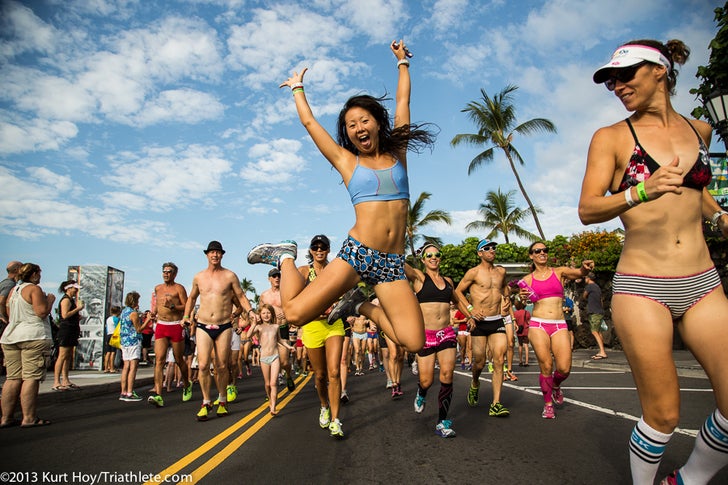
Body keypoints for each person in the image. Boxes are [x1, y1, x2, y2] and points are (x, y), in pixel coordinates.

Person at [579, 39, 728, 485]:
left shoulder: (699, 129)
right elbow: (588, 208)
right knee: (663, 414)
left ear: (659, 71)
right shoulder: (611, 137)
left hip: (703, 281)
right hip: (642, 285)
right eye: (610, 80)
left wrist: (720, 216)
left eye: (625, 75)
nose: (616, 86)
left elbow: (697, 193)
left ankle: (689, 479)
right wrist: (640, 190)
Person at [247, 39, 436, 355]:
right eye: (351, 125)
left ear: (377, 122)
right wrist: (298, 89)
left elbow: (403, 102)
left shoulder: (397, 151)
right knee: (294, 314)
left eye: (364, 121)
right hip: (359, 253)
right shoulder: (348, 162)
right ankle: (285, 256)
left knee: (415, 341)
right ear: (347, 134)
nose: (358, 128)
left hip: (392, 262)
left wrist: (403, 63)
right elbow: (310, 124)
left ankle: (359, 305)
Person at [517, 241, 593, 419]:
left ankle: (556, 386)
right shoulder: (527, 280)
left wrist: (585, 269)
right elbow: (519, 303)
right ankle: (548, 404)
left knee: (565, 368)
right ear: (531, 255)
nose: (542, 253)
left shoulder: (559, 272)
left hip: (559, 324)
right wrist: (521, 298)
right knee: (546, 365)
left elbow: (579, 273)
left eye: (545, 250)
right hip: (538, 324)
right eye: (538, 251)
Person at [183, 241, 256, 422]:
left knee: (222, 365)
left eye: (218, 252)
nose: (215, 255)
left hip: (224, 325)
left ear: (222, 255)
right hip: (203, 324)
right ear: (207, 255)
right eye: (212, 252)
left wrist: (251, 312)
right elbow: (191, 298)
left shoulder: (230, 275)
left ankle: (222, 399)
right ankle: (206, 401)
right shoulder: (198, 277)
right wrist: (186, 316)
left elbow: (240, 296)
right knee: (202, 365)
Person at [296, 235, 346, 437]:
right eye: (315, 247)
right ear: (310, 250)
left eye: (323, 247)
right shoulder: (304, 272)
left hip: (334, 324)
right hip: (312, 326)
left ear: (328, 250)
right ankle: (324, 405)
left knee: (334, 372)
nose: (319, 250)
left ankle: (336, 420)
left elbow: (345, 293)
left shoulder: (334, 269)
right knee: (320, 375)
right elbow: (295, 295)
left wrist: (336, 306)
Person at [453, 239, 510, 417]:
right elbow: (457, 292)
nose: (491, 250)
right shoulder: (473, 272)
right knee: (480, 361)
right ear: (480, 253)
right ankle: (475, 383)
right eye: (487, 248)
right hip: (479, 322)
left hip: (497, 320)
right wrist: (470, 310)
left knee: (499, 359)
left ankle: (496, 404)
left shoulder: (501, 271)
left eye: (493, 248)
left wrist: (507, 301)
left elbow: (505, 288)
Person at [406, 244, 459, 438]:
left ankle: (442, 422)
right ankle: (421, 392)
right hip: (426, 336)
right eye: (429, 255)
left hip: (446, 333)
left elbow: (458, 299)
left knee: (447, 374)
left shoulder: (448, 281)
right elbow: (404, 267)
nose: (433, 257)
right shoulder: (419, 278)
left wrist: (470, 314)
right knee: (426, 380)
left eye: (437, 255)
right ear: (423, 259)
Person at [0, 263, 54, 427]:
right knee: (31, 377)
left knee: (13, 378)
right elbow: (41, 312)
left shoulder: (13, 291)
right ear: (34, 274)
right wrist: (49, 300)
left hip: (11, 336)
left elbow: (9, 313)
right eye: (39, 273)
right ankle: (29, 417)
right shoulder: (33, 289)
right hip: (32, 336)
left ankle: (6, 417)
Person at [148, 262, 193, 408]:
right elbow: (157, 305)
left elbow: (186, 306)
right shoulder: (158, 288)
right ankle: (159, 394)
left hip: (175, 325)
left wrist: (173, 306)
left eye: (169, 272)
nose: (166, 274)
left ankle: (187, 384)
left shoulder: (179, 288)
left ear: (174, 274)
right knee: (159, 360)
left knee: (179, 359)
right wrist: (153, 313)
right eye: (164, 271)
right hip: (161, 325)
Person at [246, 304, 294, 416]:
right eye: (263, 313)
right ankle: (270, 398)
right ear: (260, 315)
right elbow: (248, 335)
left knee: (273, 383)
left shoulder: (276, 326)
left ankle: (273, 407)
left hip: (275, 357)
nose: (266, 315)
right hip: (264, 358)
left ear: (271, 314)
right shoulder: (259, 327)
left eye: (268, 313)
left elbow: (280, 340)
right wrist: (253, 323)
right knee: (267, 384)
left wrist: (289, 347)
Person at [259, 268, 295, 392]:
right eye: (274, 276)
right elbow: (260, 313)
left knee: (284, 362)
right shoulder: (264, 295)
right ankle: (269, 391)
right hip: (269, 331)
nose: (277, 278)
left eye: (278, 276)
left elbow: (293, 309)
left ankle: (289, 375)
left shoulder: (286, 293)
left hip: (283, 328)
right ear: (269, 279)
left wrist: (286, 314)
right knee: (268, 362)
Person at [119, 291, 151, 402]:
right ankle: (130, 392)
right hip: (133, 341)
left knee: (126, 367)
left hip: (124, 341)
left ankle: (123, 391)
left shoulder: (123, 312)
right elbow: (139, 329)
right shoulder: (133, 313)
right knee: (133, 367)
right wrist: (147, 320)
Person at [52, 280, 84, 390]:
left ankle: (65, 380)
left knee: (67, 356)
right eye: (74, 288)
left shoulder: (71, 300)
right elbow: (65, 315)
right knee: (62, 356)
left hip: (72, 329)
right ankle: (56, 381)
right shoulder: (65, 300)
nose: (76, 290)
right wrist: (78, 309)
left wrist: (77, 316)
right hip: (66, 330)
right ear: (68, 288)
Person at [583, 273, 607, 359]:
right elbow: (601, 300)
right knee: (599, 331)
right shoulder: (597, 287)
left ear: (588, 278)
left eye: (585, 278)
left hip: (594, 312)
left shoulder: (589, 286)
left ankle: (603, 352)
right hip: (599, 311)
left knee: (594, 331)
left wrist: (587, 299)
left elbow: (584, 296)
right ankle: (601, 350)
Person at [513, 299, 530, 366]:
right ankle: (526, 361)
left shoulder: (515, 313)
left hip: (519, 330)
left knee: (520, 345)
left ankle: (520, 361)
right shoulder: (527, 312)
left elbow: (515, 322)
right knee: (526, 345)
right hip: (526, 330)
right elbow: (529, 321)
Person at [104, 306, 121, 373]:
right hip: (114, 335)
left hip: (108, 334)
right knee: (113, 352)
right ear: (118, 312)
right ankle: (112, 368)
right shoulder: (116, 319)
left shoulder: (108, 319)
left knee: (108, 352)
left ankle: (106, 368)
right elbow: (118, 327)